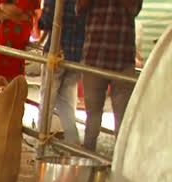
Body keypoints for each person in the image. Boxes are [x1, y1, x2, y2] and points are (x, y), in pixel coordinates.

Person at [78, 0, 141, 150]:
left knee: (123, 118)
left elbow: (134, 8)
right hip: (94, 57)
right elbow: (79, 9)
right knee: (92, 115)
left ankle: (120, 166)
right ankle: (87, 159)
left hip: (122, 59)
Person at [38, 0, 85, 144]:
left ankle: (41, 144)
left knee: (47, 102)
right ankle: (73, 144)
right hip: (78, 55)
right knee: (66, 103)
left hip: (56, 53)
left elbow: (46, 20)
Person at [0, 0, 38, 80]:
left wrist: (3, 8)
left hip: (18, 32)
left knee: (13, 69)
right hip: (4, 32)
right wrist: (17, 16)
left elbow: (18, 10)